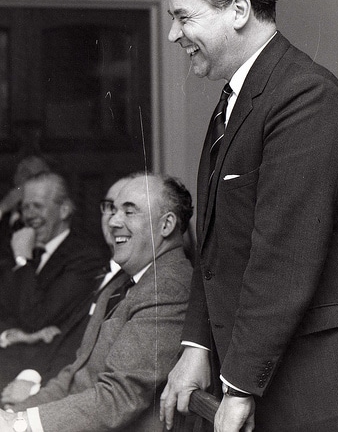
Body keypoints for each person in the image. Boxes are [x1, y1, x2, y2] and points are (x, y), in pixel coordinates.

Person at [160, 0, 338, 432]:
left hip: (325, 391)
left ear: (238, 11)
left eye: (184, 18)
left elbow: (283, 257)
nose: (173, 34)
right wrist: (197, 346)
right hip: (277, 376)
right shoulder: (237, 97)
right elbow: (217, 247)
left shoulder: (305, 96)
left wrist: (239, 386)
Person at [0, 172, 193, 432]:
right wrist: (15, 415)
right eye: (113, 211)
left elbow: (119, 397)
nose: (113, 221)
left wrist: (21, 425)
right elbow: (74, 374)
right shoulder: (123, 281)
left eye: (129, 211)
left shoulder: (169, 287)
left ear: (166, 225)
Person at [0, 175, 135, 405]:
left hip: (37, 375)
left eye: (38, 206)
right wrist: (12, 335)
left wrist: (23, 260)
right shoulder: (14, 251)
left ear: (63, 210)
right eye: (25, 207)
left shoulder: (86, 256)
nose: (29, 214)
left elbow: (38, 318)